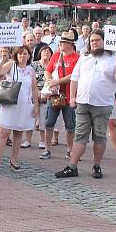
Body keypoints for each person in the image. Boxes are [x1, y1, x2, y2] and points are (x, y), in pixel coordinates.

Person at [55, 29, 116, 179]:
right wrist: (73, 98)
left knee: (99, 136)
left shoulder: (114, 58)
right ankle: (72, 166)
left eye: (97, 40)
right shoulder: (84, 57)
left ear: (104, 41)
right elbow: (75, 78)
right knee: (80, 135)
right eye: (92, 40)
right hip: (82, 102)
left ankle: (97, 166)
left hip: (102, 104)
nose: (94, 43)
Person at [0, 46, 39, 173]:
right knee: (4, 133)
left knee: (18, 133)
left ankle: (13, 161)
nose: (22, 56)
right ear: (16, 55)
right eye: (20, 54)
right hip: (9, 103)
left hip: (24, 105)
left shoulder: (31, 70)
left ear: (29, 56)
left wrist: (36, 106)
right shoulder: (11, 64)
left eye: (25, 54)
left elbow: (34, 89)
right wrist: (3, 59)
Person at [44, 31, 81, 159]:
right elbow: (47, 71)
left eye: (63, 42)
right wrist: (50, 82)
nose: (60, 44)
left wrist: (57, 81)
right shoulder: (56, 55)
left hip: (70, 95)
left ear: (70, 44)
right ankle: (47, 149)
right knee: (49, 122)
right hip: (54, 94)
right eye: (60, 42)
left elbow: (74, 76)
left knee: (70, 125)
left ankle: (70, 150)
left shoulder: (77, 58)